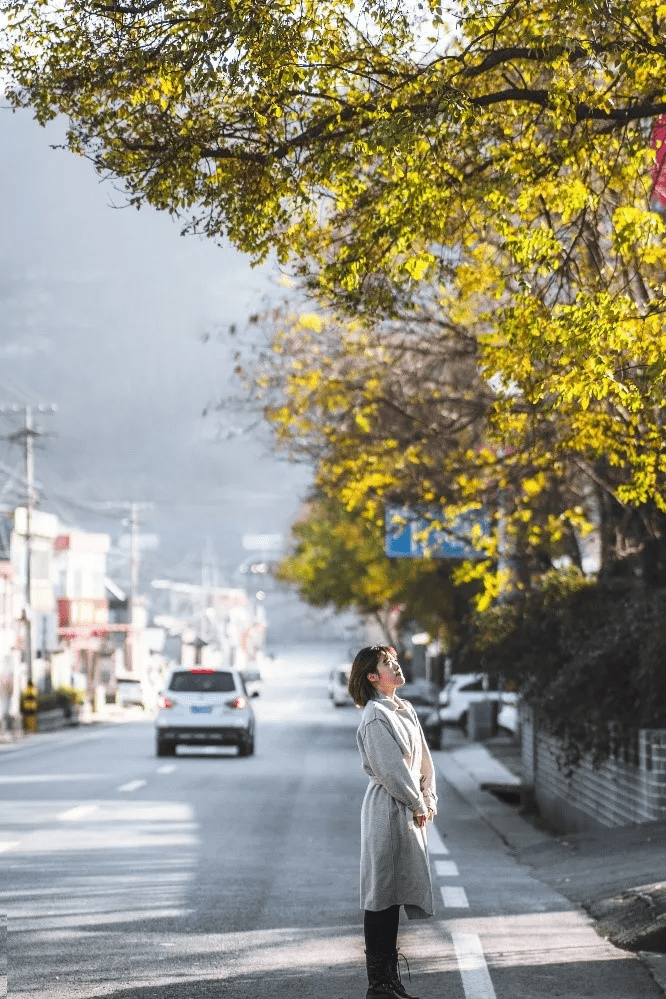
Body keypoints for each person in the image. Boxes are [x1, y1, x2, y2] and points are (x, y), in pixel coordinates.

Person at [348, 645, 437, 999]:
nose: (397, 665)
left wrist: (429, 798)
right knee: (381, 894)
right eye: (388, 663)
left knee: (397, 892)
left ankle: (390, 981)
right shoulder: (374, 717)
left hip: (410, 809)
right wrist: (417, 802)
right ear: (373, 677)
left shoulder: (406, 709)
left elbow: (423, 762)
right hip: (387, 811)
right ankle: (379, 983)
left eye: (394, 660)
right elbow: (392, 772)